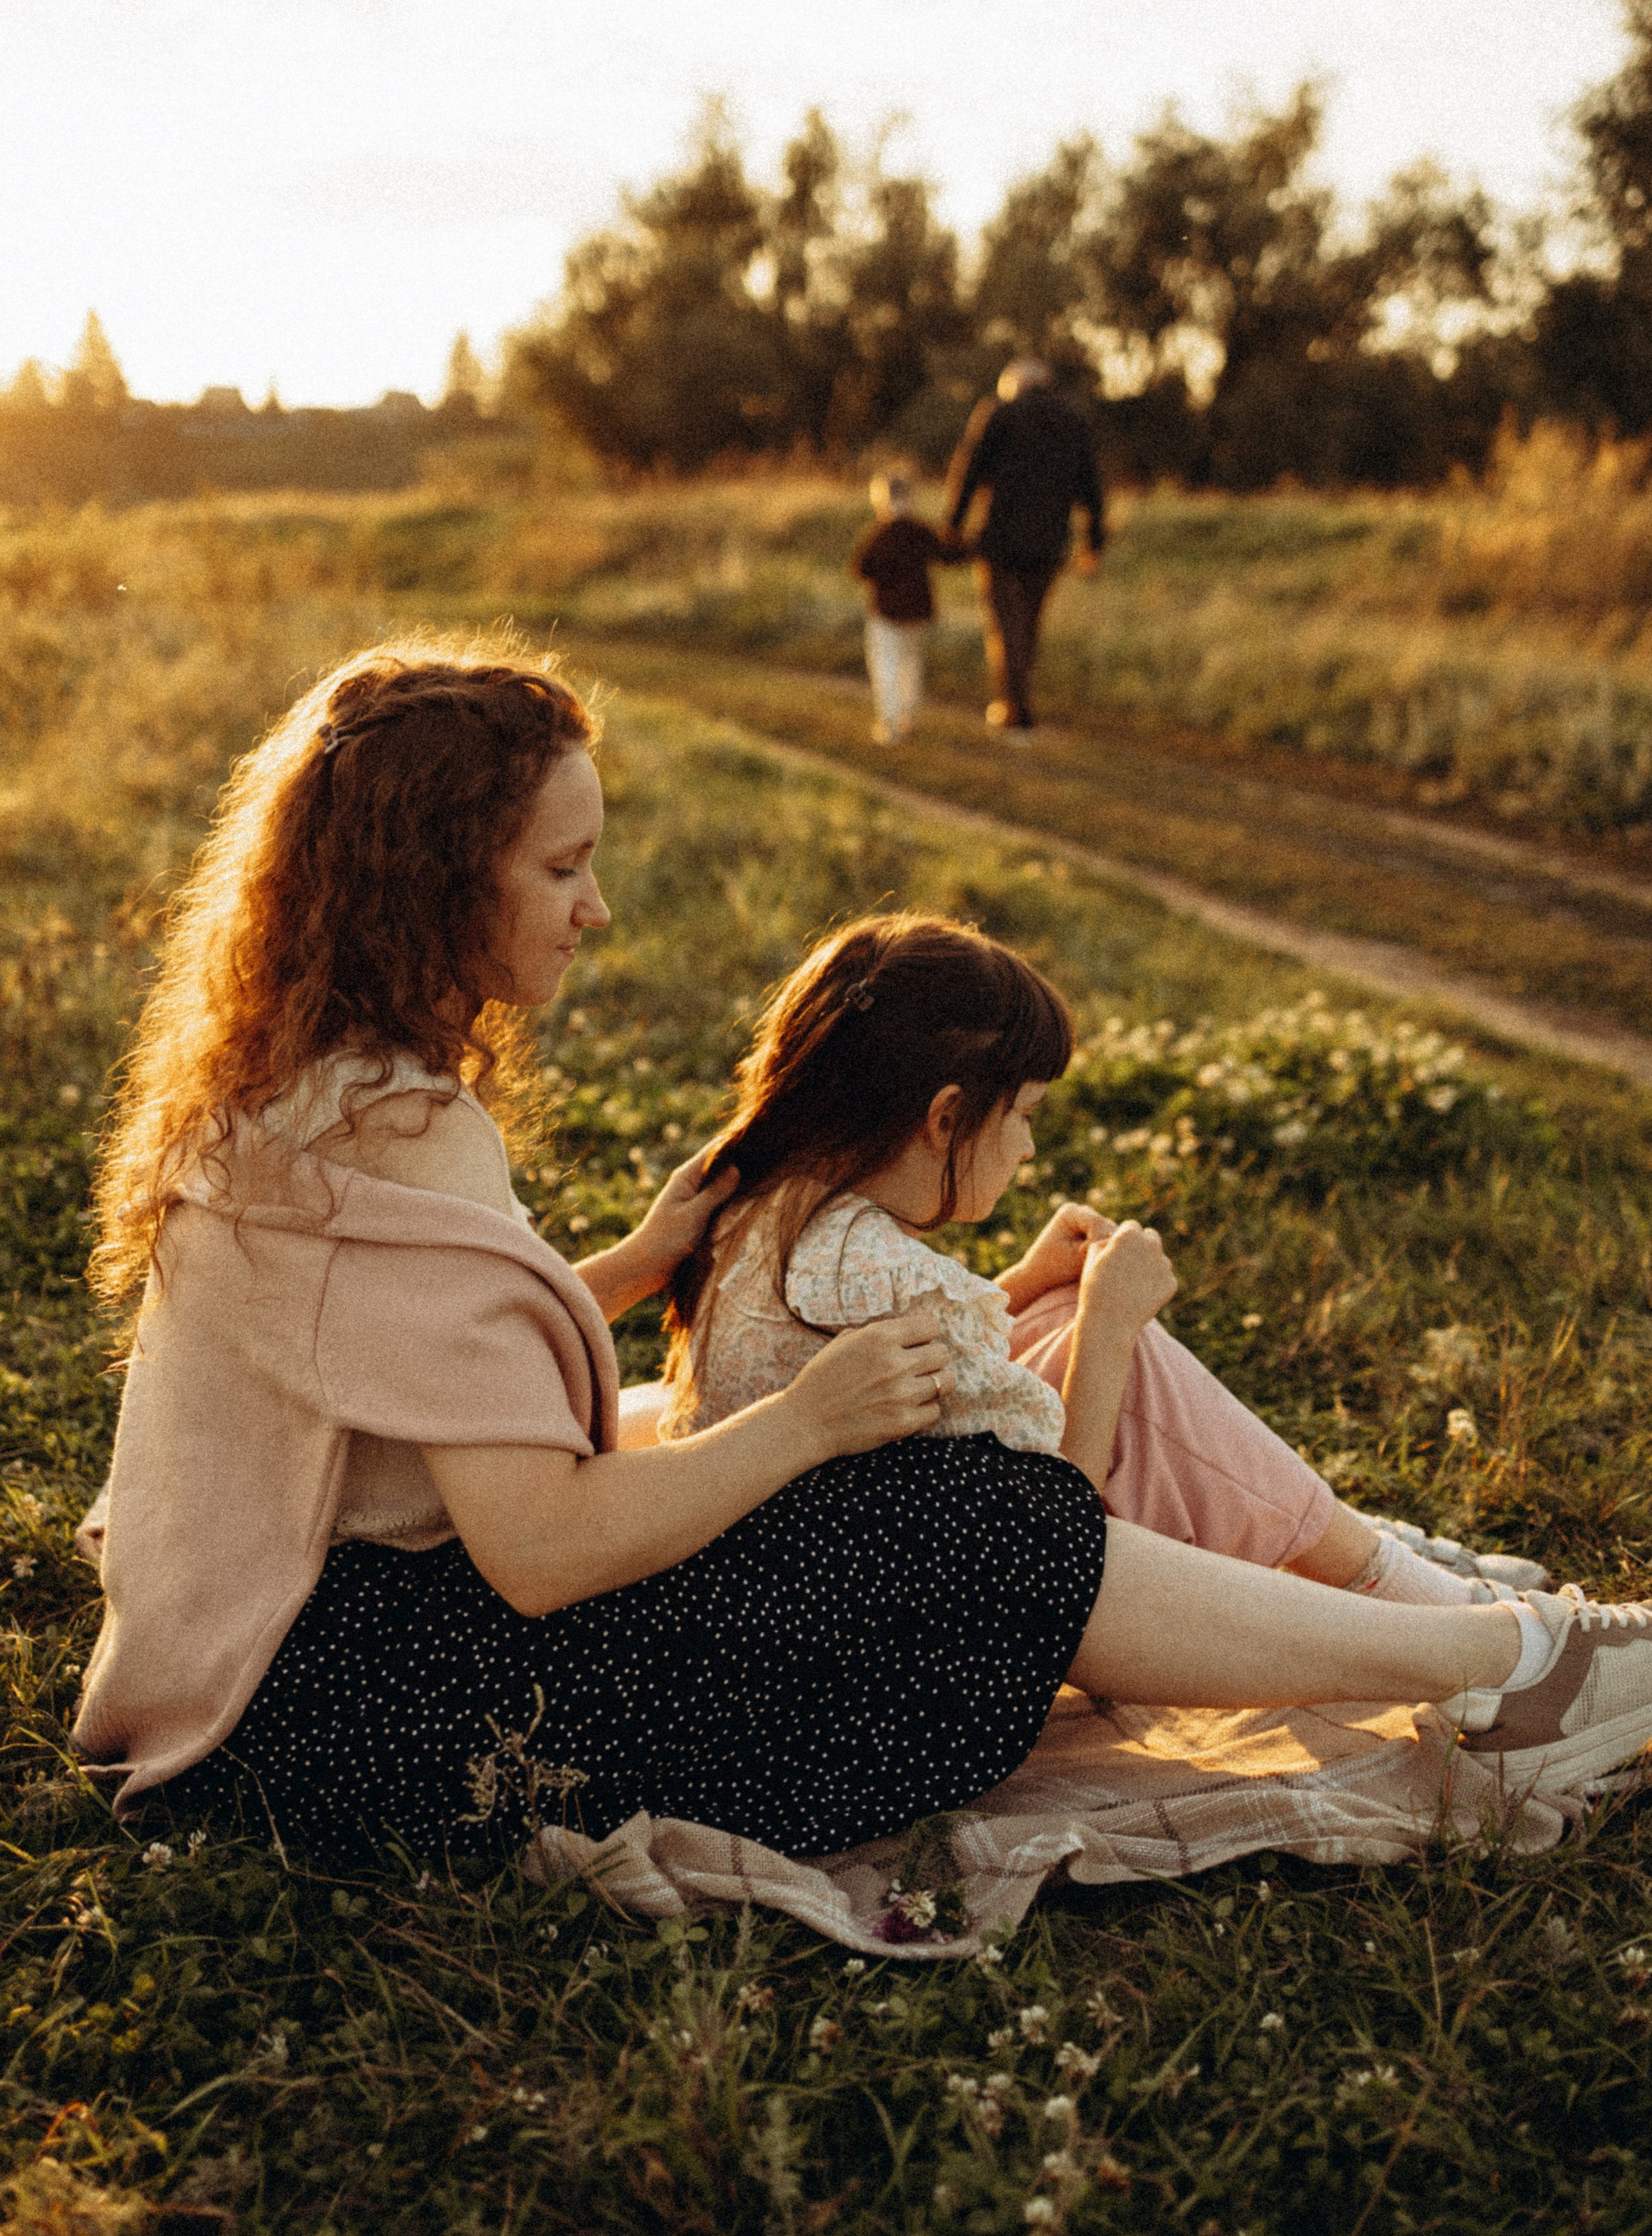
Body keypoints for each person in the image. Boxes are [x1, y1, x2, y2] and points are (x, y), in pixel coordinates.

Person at [71, 649, 1652, 1873]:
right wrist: (809, 1419)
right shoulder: (403, 1127)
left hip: (283, 1673)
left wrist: (621, 1268)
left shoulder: (305, 1084)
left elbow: (394, 1373)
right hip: (326, 1724)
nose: (597, 908)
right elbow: (540, 1551)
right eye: (560, 868)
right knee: (976, 1527)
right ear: (430, 875)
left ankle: (1489, 1650)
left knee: (944, 1515)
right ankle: (1500, 1663)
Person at [661, 914, 1542, 1609]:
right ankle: (1390, 1577)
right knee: (1125, 1362)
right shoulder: (889, 1267)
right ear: (944, 1119)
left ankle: (1351, 1549)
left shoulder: (759, 1204)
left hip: (808, 1580)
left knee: (1050, 1318)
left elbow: (908, 1380)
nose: (1031, 1150)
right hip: (909, 1644)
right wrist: (1115, 1326)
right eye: (1028, 1115)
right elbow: (1056, 1533)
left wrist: (1028, 1287)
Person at [943, 358, 1103, 735]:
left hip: (1000, 540)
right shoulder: (1074, 423)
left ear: (1013, 386)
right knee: (1029, 625)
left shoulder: (999, 415)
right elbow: (1094, 492)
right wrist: (1092, 544)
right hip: (1050, 544)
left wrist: (953, 525)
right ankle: (1019, 699)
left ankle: (1015, 706)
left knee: (1004, 625)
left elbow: (969, 471)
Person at [847, 471, 968, 745]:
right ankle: (909, 715)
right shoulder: (921, 531)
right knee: (910, 662)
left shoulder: (880, 534)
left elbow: (859, 568)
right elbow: (949, 555)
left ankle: (889, 724)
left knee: (886, 666)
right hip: (918, 612)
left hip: (886, 613)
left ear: (881, 500)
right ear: (911, 498)